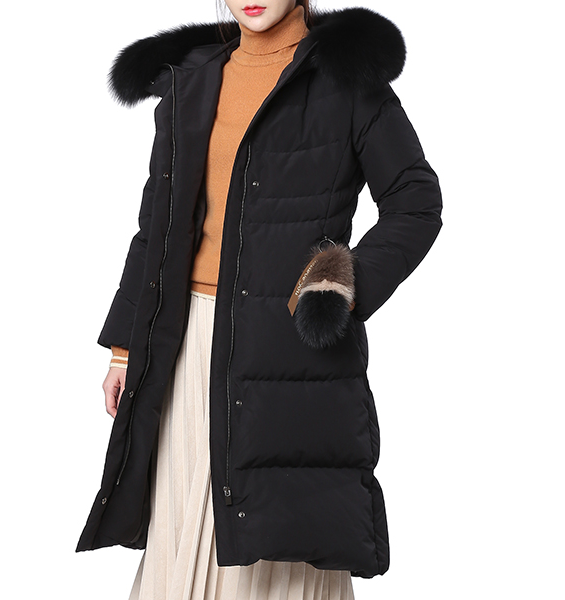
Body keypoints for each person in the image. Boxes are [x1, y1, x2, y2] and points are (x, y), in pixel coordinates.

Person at [76, 1, 443, 598]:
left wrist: (339, 286)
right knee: (186, 517)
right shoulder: (191, 77)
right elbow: (155, 228)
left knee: (272, 528)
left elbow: (415, 203)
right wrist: (123, 346)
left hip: (287, 343)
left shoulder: (345, 78)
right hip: (182, 341)